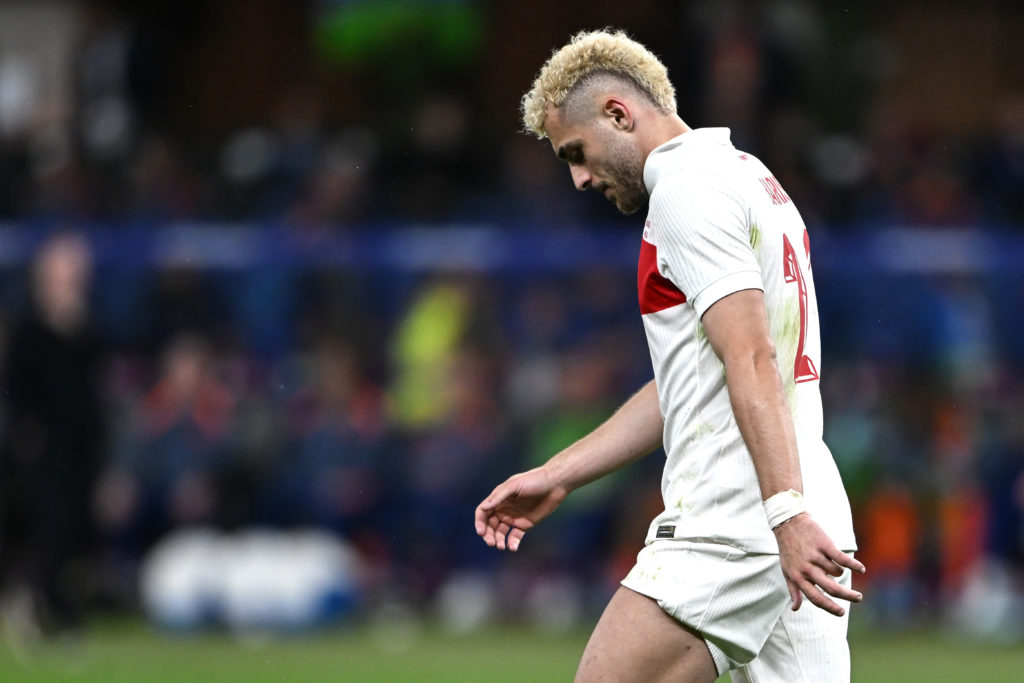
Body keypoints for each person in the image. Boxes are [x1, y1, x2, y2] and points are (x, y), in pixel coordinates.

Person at [475, 30, 864, 682]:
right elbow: (693, 381)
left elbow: (751, 358)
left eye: (577, 152)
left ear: (619, 114)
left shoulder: (686, 192)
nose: (578, 177)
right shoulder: (746, 174)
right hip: (797, 497)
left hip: (739, 512)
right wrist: (561, 472)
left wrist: (783, 516)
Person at [1, 232, 106, 639]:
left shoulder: (89, 328)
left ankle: (57, 607)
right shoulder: (30, 330)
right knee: (51, 530)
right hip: (46, 449)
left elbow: (93, 390)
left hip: (82, 447)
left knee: (76, 530)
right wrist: (27, 437)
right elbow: (20, 390)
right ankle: (51, 612)